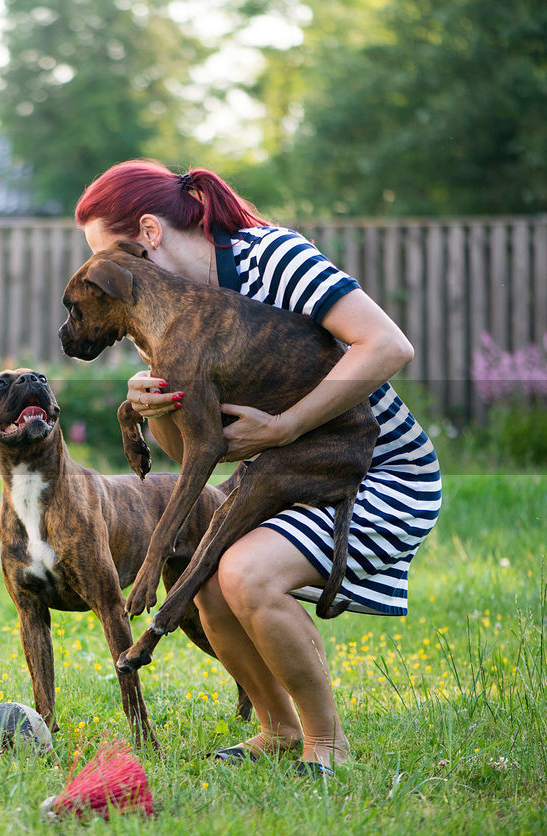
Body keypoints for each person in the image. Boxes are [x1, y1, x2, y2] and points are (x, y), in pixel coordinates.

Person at [74, 159, 442, 775]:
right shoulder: (165, 316)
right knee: (206, 581)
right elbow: (195, 450)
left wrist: (289, 424)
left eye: (116, 254)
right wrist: (149, 404)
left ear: (150, 231)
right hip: (282, 476)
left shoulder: (272, 259)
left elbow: (388, 345)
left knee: (246, 574)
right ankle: (276, 730)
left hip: (376, 470)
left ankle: (327, 746)